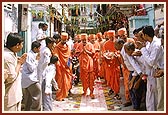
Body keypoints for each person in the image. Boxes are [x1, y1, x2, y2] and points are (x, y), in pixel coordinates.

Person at [136, 25, 161, 111]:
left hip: (157, 72)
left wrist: (142, 49)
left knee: (157, 97)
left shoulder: (156, 44)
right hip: (150, 73)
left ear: (146, 35)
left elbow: (151, 62)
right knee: (150, 97)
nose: (141, 38)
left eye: (142, 35)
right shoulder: (149, 43)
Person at [4, 33, 27, 111]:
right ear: (17, 45)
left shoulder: (12, 54)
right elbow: (11, 77)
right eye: (22, 44)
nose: (22, 46)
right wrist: (20, 63)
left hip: (15, 95)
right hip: (10, 96)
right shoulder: (7, 56)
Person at [21, 41, 41, 111]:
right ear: (35, 48)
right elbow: (32, 69)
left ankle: (28, 111)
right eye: (39, 48)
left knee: (28, 99)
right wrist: (37, 60)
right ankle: (35, 110)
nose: (39, 50)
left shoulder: (32, 55)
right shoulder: (29, 55)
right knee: (38, 94)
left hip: (28, 80)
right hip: (30, 79)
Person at [102, 30, 121, 100]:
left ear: (115, 36)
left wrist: (116, 55)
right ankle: (112, 89)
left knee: (116, 79)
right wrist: (107, 56)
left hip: (116, 64)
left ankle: (116, 92)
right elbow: (104, 53)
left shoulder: (117, 42)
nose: (111, 38)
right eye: (109, 37)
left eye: (112, 37)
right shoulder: (105, 44)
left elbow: (120, 52)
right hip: (108, 64)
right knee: (109, 78)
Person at [53, 32, 72, 101]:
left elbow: (69, 55)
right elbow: (55, 55)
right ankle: (59, 96)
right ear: (61, 39)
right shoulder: (57, 47)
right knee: (60, 82)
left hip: (67, 67)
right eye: (63, 40)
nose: (64, 41)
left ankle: (64, 95)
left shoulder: (67, 46)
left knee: (67, 82)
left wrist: (69, 63)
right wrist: (58, 62)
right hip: (60, 67)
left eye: (65, 40)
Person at [75, 33, 96, 99]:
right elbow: (76, 54)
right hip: (82, 64)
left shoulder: (90, 45)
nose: (84, 41)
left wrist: (86, 51)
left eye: (85, 40)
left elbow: (93, 54)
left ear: (87, 39)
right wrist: (81, 51)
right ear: (81, 39)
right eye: (83, 40)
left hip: (89, 64)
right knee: (83, 79)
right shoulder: (79, 45)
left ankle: (91, 92)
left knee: (91, 79)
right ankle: (85, 90)